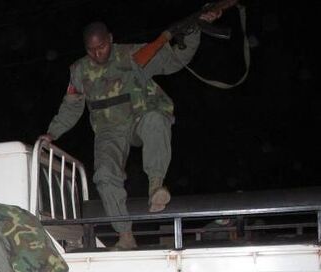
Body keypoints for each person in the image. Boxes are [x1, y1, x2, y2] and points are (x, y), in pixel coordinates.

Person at [39, 12, 222, 250]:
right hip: (109, 130)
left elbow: (175, 60)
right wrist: (52, 133)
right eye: (91, 49)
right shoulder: (79, 71)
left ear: (111, 39)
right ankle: (125, 236)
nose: (97, 54)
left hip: (138, 117)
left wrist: (195, 30)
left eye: (102, 47)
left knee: (156, 118)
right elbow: (71, 107)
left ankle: (156, 185)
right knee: (104, 175)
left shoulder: (134, 55)